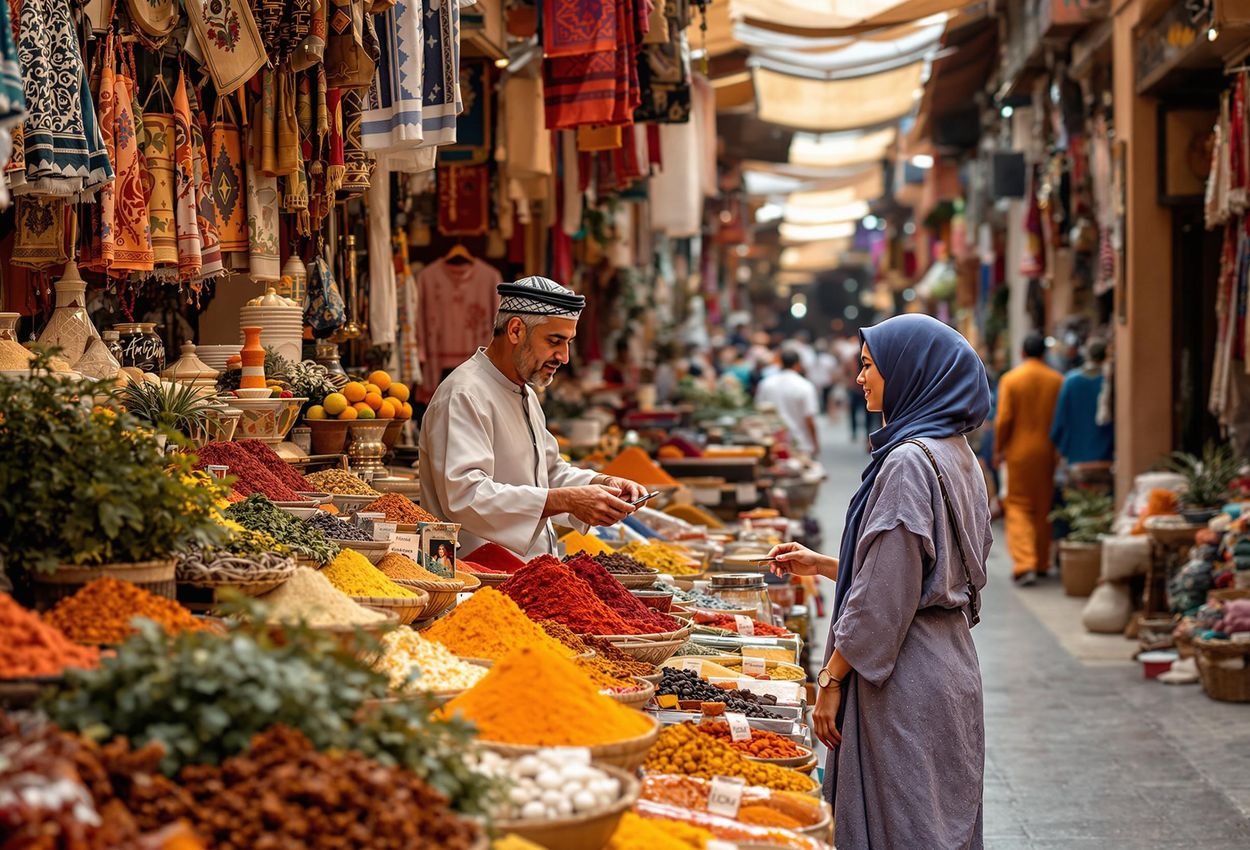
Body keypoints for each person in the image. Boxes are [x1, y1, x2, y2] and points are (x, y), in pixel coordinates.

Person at [766, 313, 991, 850]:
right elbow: (921, 571)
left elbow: (886, 597)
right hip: (949, 664)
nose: (860, 378)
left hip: (902, 679)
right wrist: (825, 564)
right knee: (937, 823)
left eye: (870, 366)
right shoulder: (959, 454)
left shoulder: (910, 461)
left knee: (904, 826)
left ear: (910, 371)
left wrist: (831, 678)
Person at [419, 276, 649, 559]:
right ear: (515, 330)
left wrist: (600, 484)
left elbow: (548, 473)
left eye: (568, 343)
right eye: (555, 341)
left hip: (523, 577)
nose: (564, 357)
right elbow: (465, 496)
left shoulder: (523, 392)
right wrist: (564, 500)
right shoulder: (464, 394)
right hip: (479, 580)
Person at [994, 333, 1064, 585]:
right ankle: (1043, 561)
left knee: (1019, 506)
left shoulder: (1011, 380)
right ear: (1043, 354)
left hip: (1019, 452)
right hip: (1048, 451)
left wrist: (998, 449)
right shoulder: (1057, 380)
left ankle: (1025, 563)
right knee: (1043, 506)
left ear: (1022, 353)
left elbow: (1004, 420)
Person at [1050, 339, 1114, 466]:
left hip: (1076, 454)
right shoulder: (1109, 381)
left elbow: (1060, 420)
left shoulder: (1070, 381)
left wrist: (1060, 447)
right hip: (1106, 452)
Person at [756, 349, 820, 455]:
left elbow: (759, 411)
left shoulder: (766, 384)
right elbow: (809, 419)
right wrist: (815, 443)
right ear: (798, 364)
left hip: (772, 442)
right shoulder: (805, 386)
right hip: (800, 444)